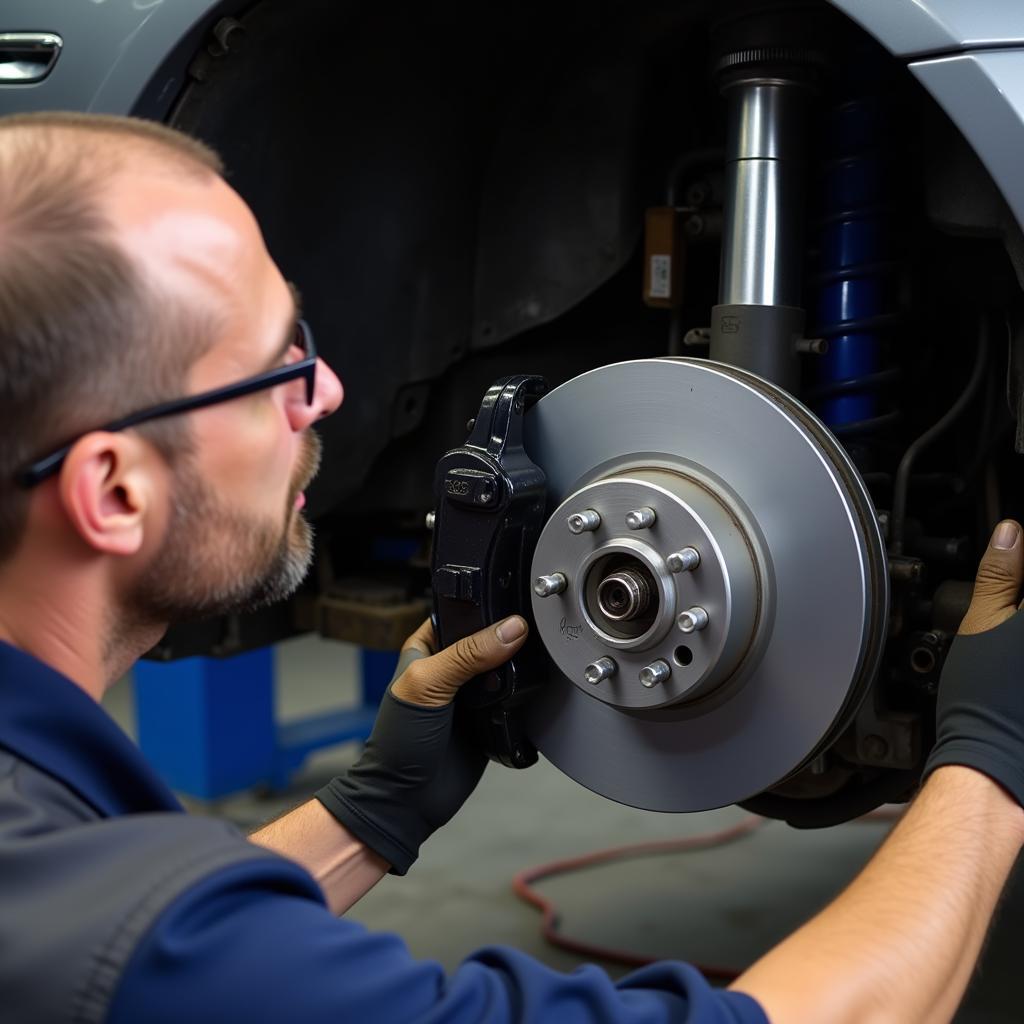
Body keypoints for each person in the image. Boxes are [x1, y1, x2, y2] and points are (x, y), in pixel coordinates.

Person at [0, 111, 1022, 1024]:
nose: (328, 391)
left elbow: (156, 942)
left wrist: (373, 808)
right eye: (276, 367)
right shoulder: (105, 943)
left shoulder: (64, 882)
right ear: (115, 492)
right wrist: (989, 758)